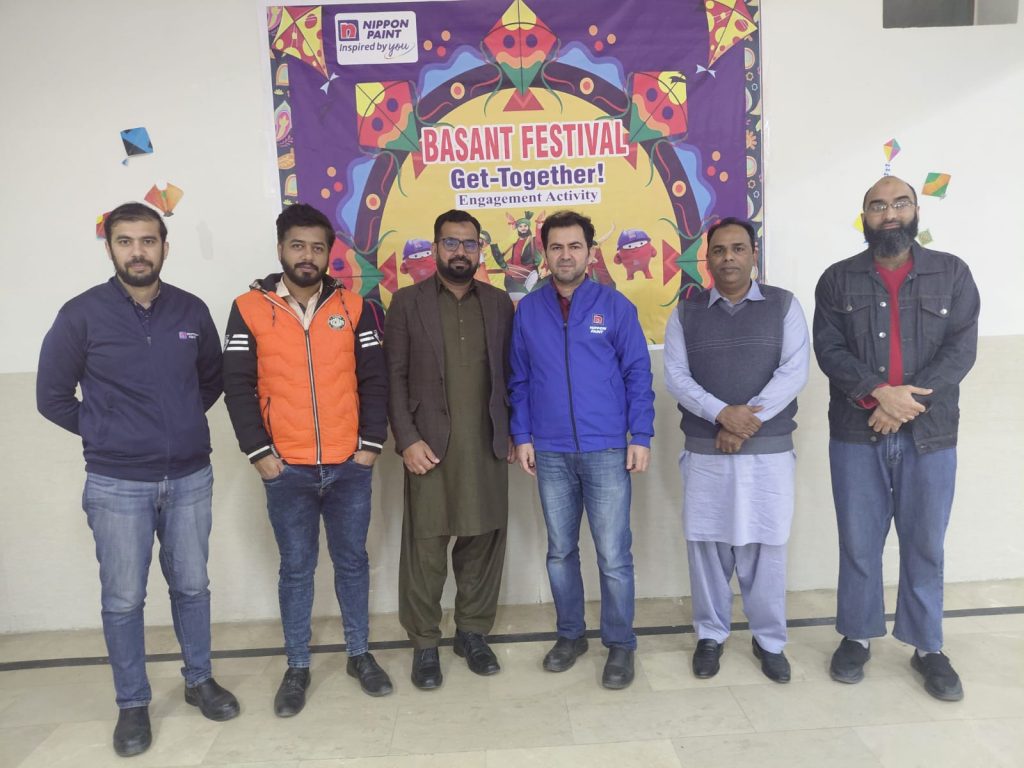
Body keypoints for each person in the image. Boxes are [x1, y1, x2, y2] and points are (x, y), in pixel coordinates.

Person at [37, 202, 239, 757]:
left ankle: (199, 680)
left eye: (148, 241)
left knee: (193, 587)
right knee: (124, 598)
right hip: (116, 484)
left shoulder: (191, 311)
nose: (137, 251)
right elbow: (51, 398)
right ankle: (132, 703)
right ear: (110, 248)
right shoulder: (81, 314)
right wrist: (109, 431)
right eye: (125, 241)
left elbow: (211, 383)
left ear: (164, 247)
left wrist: (175, 424)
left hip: (190, 477)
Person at [813, 176, 980, 701]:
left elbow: (961, 350)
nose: (889, 214)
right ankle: (857, 637)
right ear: (864, 216)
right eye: (878, 205)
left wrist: (907, 404)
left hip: (930, 435)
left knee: (925, 543)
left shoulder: (952, 274)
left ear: (916, 210)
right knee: (859, 543)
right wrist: (878, 395)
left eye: (899, 203)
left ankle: (927, 647)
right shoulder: (837, 280)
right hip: (855, 434)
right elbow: (830, 351)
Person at [222, 203, 392, 716]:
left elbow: (375, 380)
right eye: (298, 245)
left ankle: (359, 654)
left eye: (318, 247)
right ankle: (297, 665)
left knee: (353, 563)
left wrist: (370, 447)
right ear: (281, 249)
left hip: (348, 466)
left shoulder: (355, 306)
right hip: (286, 469)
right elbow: (237, 387)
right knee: (296, 570)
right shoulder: (248, 308)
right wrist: (260, 454)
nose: (308, 255)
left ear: (328, 254)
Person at [509, 209, 655, 690]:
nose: (565, 255)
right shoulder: (529, 311)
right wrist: (523, 435)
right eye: (556, 247)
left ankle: (620, 644)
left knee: (614, 555)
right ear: (545, 253)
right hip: (549, 452)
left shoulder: (614, 306)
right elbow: (520, 379)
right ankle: (570, 635)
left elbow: (638, 374)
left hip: (607, 450)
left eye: (575, 246)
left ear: (590, 252)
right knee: (559, 552)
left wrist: (641, 436)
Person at [664, 217, 809, 683]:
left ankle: (769, 640)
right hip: (705, 451)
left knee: (766, 546)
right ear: (706, 258)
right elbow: (677, 378)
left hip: (767, 452)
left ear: (753, 254)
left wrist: (746, 422)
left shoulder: (783, 305)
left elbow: (793, 372)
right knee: (707, 546)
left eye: (738, 248)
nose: (728, 257)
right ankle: (711, 634)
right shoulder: (686, 312)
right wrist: (722, 414)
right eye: (720, 250)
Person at [384, 209, 515, 689]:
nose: (460, 252)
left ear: (480, 249)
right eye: (450, 243)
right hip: (429, 446)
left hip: (486, 441)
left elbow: (513, 374)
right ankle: (424, 643)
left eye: (469, 244)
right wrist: (407, 440)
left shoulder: (500, 303)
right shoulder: (407, 302)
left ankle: (473, 633)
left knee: (484, 541)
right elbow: (392, 379)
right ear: (435, 247)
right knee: (426, 546)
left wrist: (515, 434)